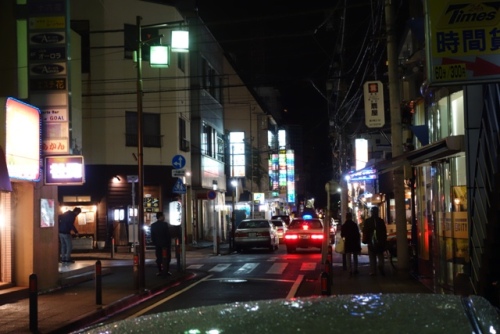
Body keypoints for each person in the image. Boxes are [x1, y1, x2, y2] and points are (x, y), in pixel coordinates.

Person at [362, 206, 387, 276]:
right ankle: (381, 265)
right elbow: (384, 232)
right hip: (380, 242)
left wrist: (365, 240)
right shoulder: (381, 221)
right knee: (380, 255)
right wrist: (384, 240)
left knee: (372, 257)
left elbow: (365, 231)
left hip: (371, 241)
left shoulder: (367, 221)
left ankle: (373, 271)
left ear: (371, 212)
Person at [150, 212, 172, 276]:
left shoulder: (153, 225)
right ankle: (166, 270)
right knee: (167, 258)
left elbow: (152, 236)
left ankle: (160, 270)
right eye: (163, 216)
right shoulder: (165, 225)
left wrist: (155, 243)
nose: (164, 217)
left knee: (159, 257)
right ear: (161, 217)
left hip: (158, 244)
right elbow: (168, 235)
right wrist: (169, 243)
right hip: (165, 244)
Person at [341, 212, 361, 277]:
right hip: (354, 242)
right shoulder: (354, 225)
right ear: (351, 217)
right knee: (355, 256)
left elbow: (342, 235)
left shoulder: (344, 225)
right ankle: (356, 269)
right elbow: (358, 235)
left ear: (346, 217)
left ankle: (350, 270)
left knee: (348, 257)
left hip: (348, 242)